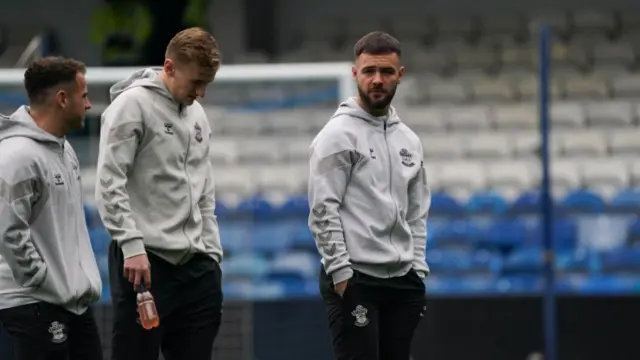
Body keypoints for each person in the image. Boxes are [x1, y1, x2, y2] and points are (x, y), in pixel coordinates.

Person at [94, 27, 224, 360]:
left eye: (206, 83)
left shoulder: (197, 113)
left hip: (197, 267)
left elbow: (204, 188)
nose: (201, 92)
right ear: (169, 68)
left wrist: (212, 253)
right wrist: (131, 245)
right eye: (195, 82)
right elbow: (110, 181)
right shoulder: (131, 106)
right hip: (144, 264)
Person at [308, 31, 431, 360]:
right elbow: (323, 210)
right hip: (356, 279)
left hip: (403, 282)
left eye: (387, 72)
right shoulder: (336, 136)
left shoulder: (410, 140)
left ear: (400, 75)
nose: (377, 80)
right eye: (369, 71)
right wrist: (342, 274)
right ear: (355, 74)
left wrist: (417, 269)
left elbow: (417, 213)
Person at [0, 56, 103, 360]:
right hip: (33, 302)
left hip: (69, 298)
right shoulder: (17, 156)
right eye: (83, 96)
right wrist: (41, 279)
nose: (88, 105)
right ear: (62, 99)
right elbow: (8, 231)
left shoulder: (63, 147)